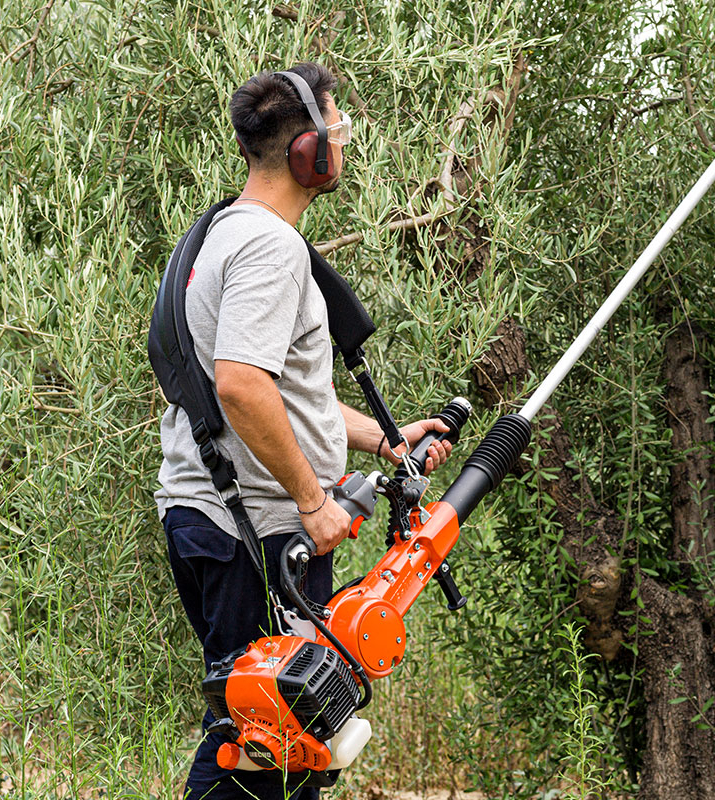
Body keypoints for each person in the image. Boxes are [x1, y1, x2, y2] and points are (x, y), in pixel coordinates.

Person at [154, 61, 451, 800]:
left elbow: (280, 391)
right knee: (267, 737)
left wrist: (383, 442)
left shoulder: (224, 231)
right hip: (258, 532)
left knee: (275, 735)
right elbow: (242, 385)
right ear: (307, 153)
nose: (345, 143)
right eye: (338, 129)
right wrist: (313, 504)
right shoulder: (270, 247)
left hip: (219, 521)